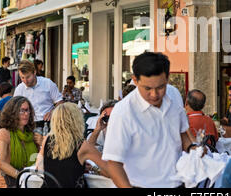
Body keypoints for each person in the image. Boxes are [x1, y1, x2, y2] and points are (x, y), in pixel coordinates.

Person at [102, 52, 193, 188]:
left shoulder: (174, 98)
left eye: (161, 87)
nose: (154, 94)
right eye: (147, 88)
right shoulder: (123, 112)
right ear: (135, 80)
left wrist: (192, 147)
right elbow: (113, 163)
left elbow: (182, 133)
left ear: (167, 78)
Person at [36, 103, 109, 188]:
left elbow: (39, 167)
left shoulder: (47, 140)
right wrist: (94, 169)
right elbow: (110, 170)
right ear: (77, 120)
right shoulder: (82, 145)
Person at [0, 96, 39, 188]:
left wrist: (43, 143)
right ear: (12, 113)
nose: (26, 114)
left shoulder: (31, 135)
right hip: (8, 183)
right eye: (22, 111)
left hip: (29, 181)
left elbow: (38, 160)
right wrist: (22, 176)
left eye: (27, 110)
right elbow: (1, 163)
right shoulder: (4, 133)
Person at [13, 60, 63, 138]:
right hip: (28, 125)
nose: (25, 81)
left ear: (34, 72)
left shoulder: (47, 83)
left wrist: (53, 111)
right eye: (22, 78)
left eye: (28, 77)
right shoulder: (19, 89)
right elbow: (14, 109)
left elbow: (60, 102)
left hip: (48, 124)